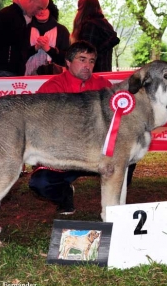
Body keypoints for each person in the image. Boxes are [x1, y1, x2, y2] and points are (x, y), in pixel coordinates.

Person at [29, 41, 136, 214]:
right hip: (65, 154)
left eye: (92, 61)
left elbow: (119, 122)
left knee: (127, 160)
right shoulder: (51, 88)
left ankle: (115, 202)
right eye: (82, 59)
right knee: (40, 183)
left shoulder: (104, 86)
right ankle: (65, 196)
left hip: (98, 154)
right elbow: (39, 124)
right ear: (68, 62)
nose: (88, 66)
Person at [0, 0, 49, 77]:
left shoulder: (26, 19)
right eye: (39, 8)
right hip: (1, 71)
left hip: (13, 72)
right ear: (31, 0)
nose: (39, 12)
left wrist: (34, 48)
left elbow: (20, 49)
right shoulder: (6, 15)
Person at [71, 0, 120, 72]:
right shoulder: (104, 24)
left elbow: (86, 53)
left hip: (91, 73)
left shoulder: (89, 26)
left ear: (82, 8)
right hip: (104, 71)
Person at [24, 0, 70, 75]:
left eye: (44, 9)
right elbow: (18, 55)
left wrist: (48, 49)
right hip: (27, 77)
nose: (41, 12)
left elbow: (68, 58)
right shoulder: (25, 29)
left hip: (55, 77)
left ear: (50, 10)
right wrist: (35, 48)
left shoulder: (62, 30)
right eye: (38, 9)